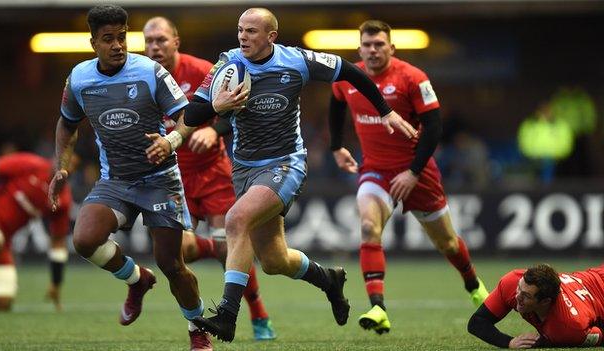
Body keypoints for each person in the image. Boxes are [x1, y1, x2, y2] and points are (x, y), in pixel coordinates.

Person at [175, 8, 418, 342]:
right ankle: (329, 280)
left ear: (271, 36)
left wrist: (386, 111)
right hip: (244, 167)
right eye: (240, 30)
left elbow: (351, 72)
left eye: (251, 31)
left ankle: (227, 316)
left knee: (235, 220)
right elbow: (193, 111)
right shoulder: (228, 65)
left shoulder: (297, 61)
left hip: (285, 163)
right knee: (274, 260)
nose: (243, 37)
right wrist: (220, 106)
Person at [49, 5, 206, 348]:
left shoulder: (149, 71)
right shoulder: (79, 79)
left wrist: (171, 140)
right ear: (93, 43)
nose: (118, 45)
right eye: (108, 39)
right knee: (85, 240)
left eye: (122, 37)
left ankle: (197, 329)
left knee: (172, 264)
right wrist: (62, 164)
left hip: (161, 178)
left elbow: (189, 115)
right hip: (116, 180)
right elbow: (67, 122)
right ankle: (137, 279)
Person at [328, 20, 489, 335]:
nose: (373, 50)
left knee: (447, 243)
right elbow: (336, 105)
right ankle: (378, 307)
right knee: (367, 227)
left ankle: (472, 284)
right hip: (375, 169)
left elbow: (434, 128)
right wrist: (336, 147)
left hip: (417, 171)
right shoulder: (348, 78)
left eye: (379, 45)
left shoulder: (412, 78)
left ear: (392, 47)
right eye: (367, 45)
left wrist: (413, 172)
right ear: (359, 48)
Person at [142, 16, 276, 342]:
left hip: (213, 172)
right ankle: (217, 249)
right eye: (149, 41)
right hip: (173, 176)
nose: (155, 46)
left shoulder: (207, 70)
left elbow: (239, 111)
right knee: (182, 252)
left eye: (161, 39)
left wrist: (213, 131)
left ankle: (259, 315)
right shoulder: (141, 79)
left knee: (232, 243)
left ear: (176, 41)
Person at [0, 152, 72, 311]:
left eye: (71, 164)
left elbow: (58, 242)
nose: (66, 166)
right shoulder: (31, 164)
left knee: (2, 302)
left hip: (4, 241)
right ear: (55, 157)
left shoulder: (62, 200)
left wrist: (56, 282)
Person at [468, 264, 604, 348]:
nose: (517, 296)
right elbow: (477, 322)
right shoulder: (512, 282)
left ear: (545, 301)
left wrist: (548, 341)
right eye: (519, 288)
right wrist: (509, 342)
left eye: (526, 296)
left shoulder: (569, 326)